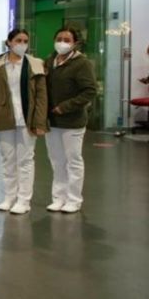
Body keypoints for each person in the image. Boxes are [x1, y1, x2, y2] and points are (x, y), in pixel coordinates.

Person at [0, 29, 48, 215]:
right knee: (8, 160)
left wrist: (40, 121)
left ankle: (24, 200)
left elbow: (42, 95)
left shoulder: (35, 64)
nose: (22, 44)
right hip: (3, 117)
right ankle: (10, 196)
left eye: (25, 40)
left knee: (26, 160)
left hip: (27, 118)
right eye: (18, 40)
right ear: (9, 42)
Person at [44, 27, 97, 214]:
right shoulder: (50, 61)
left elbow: (90, 91)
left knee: (73, 160)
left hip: (73, 121)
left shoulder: (81, 63)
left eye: (67, 39)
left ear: (75, 43)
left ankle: (74, 199)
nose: (62, 42)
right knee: (56, 160)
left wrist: (65, 107)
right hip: (52, 122)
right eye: (59, 38)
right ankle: (59, 197)